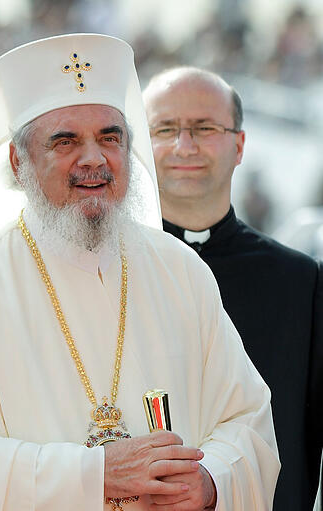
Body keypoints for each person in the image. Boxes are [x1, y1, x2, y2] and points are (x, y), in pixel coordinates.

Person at [0, 34, 278, 510]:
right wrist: (94, 475)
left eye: (110, 137)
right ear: (17, 160)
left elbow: (248, 419)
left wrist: (211, 480)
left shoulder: (179, 269)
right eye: (65, 140)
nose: (93, 158)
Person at [143, 66, 323, 510]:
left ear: (239, 145)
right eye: (165, 129)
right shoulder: (109, 270)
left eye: (204, 128)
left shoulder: (299, 280)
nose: (185, 145)